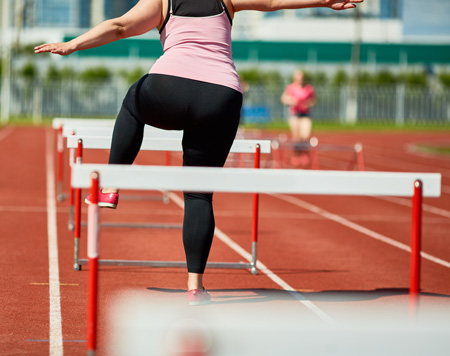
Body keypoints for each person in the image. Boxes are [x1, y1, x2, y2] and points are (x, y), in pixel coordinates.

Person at [35, 0, 364, 305]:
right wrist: (325, 1)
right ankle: (195, 286)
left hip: (168, 89)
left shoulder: (164, 0)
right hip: (220, 97)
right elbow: (274, 1)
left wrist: (72, 45)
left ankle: (110, 186)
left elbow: (120, 26)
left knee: (133, 103)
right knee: (198, 195)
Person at [281, 69, 316, 167]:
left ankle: (304, 154)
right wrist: (291, 100)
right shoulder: (290, 88)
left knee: (305, 136)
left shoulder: (309, 88)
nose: (300, 80)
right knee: (296, 137)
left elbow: (313, 100)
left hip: (305, 115)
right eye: (298, 78)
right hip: (294, 114)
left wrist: (307, 104)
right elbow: (283, 99)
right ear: (295, 78)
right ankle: (295, 155)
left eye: (301, 78)